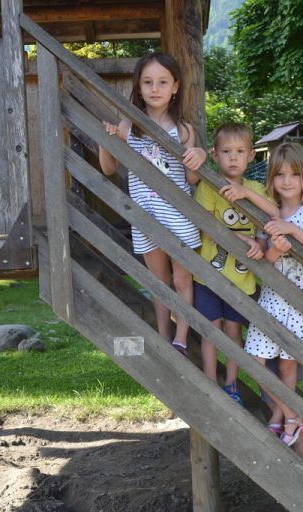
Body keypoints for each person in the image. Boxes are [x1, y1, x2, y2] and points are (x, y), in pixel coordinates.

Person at [98, 52, 206, 356]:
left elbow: (192, 178)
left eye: (162, 82)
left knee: (182, 277)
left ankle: (181, 338)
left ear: (175, 87)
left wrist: (199, 154)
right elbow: (108, 168)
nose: (154, 88)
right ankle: (163, 335)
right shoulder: (129, 125)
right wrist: (107, 140)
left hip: (178, 216)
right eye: (148, 82)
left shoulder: (183, 130)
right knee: (159, 281)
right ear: (139, 86)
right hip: (145, 216)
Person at [244, 142, 303, 460]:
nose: (286, 181)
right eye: (280, 175)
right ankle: (291, 414)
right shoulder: (272, 211)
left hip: (302, 299)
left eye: (294, 175)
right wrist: (275, 249)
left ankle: (283, 418)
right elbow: (269, 259)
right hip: (274, 296)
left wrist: (292, 230)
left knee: (286, 364)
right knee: (254, 359)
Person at [193, 122, 279, 404]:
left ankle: (231, 385)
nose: (233, 157)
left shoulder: (256, 188)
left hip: (242, 280)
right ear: (214, 155)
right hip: (209, 275)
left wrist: (262, 243)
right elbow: (204, 224)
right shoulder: (209, 185)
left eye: (239, 151)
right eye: (226, 151)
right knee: (210, 329)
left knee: (232, 332)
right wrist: (242, 242)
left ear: (251, 155)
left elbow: (274, 216)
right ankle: (208, 381)